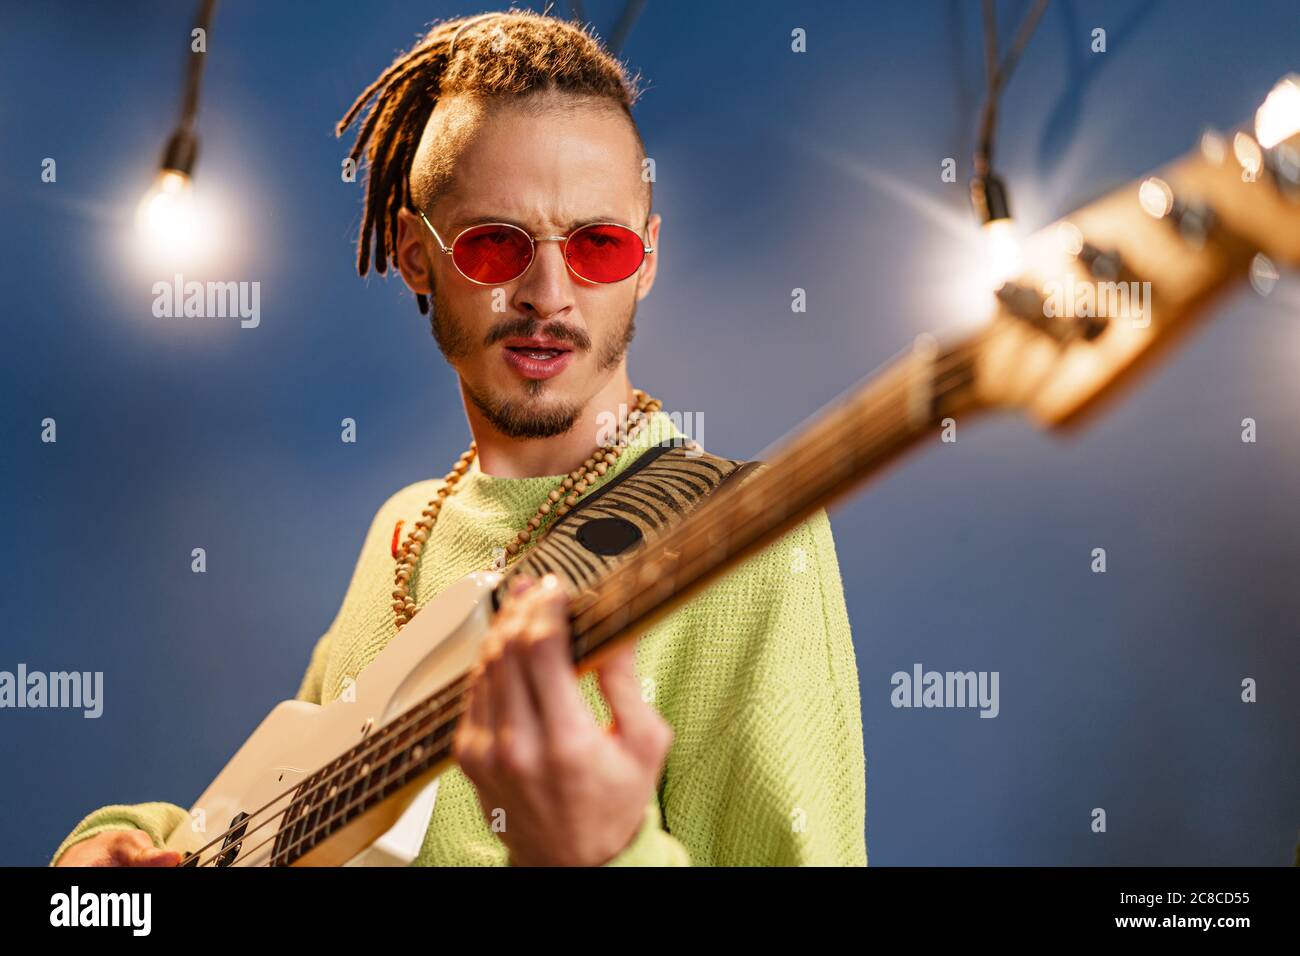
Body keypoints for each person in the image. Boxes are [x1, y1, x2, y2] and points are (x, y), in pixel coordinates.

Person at [52, 9, 865, 867]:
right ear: (413, 254)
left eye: (599, 243)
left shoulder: (752, 536)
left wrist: (608, 851)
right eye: (491, 245)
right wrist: (124, 846)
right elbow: (272, 818)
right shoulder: (400, 533)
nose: (549, 292)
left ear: (649, 258)